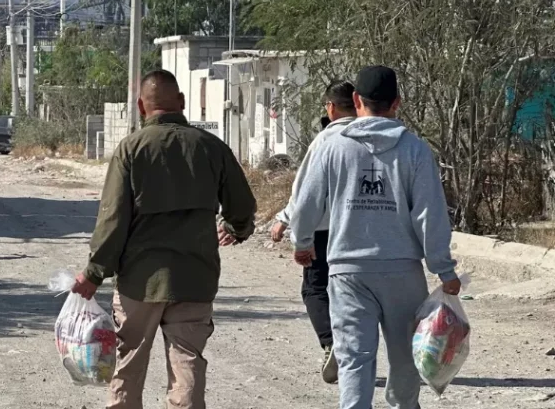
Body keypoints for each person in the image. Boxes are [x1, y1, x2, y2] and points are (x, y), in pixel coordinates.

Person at [70, 69, 257, 409]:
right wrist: (236, 229)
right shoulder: (211, 147)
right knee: (187, 361)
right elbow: (242, 206)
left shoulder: (131, 149)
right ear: (182, 102)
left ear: (141, 107)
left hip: (139, 282)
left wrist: (94, 273)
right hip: (195, 278)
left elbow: (112, 219)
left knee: (128, 363)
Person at [289, 66, 460, 409]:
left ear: (356, 100)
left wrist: (303, 242)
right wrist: (443, 269)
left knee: (354, 357)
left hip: (347, 272)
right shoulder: (415, 150)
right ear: (397, 102)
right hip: (402, 272)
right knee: (405, 356)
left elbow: (305, 203)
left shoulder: (331, 146)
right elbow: (429, 214)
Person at [269, 80, 357, 384]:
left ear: (330, 107)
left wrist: (296, 234)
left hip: (323, 231)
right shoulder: (375, 137)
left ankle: (331, 342)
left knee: (316, 289)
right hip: (361, 231)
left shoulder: (326, 140)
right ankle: (357, 351)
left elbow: (306, 194)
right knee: (354, 293)